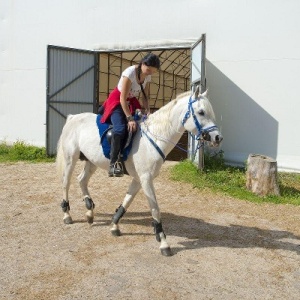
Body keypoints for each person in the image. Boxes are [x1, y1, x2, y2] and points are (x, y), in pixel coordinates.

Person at [99, 53, 160, 177]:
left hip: (131, 101)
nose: (149, 73)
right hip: (117, 101)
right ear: (142, 64)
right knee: (120, 129)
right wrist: (129, 118)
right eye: (148, 70)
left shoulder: (147, 77)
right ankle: (113, 164)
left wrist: (147, 110)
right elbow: (122, 98)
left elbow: (145, 96)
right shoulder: (130, 73)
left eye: (152, 72)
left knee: (140, 126)